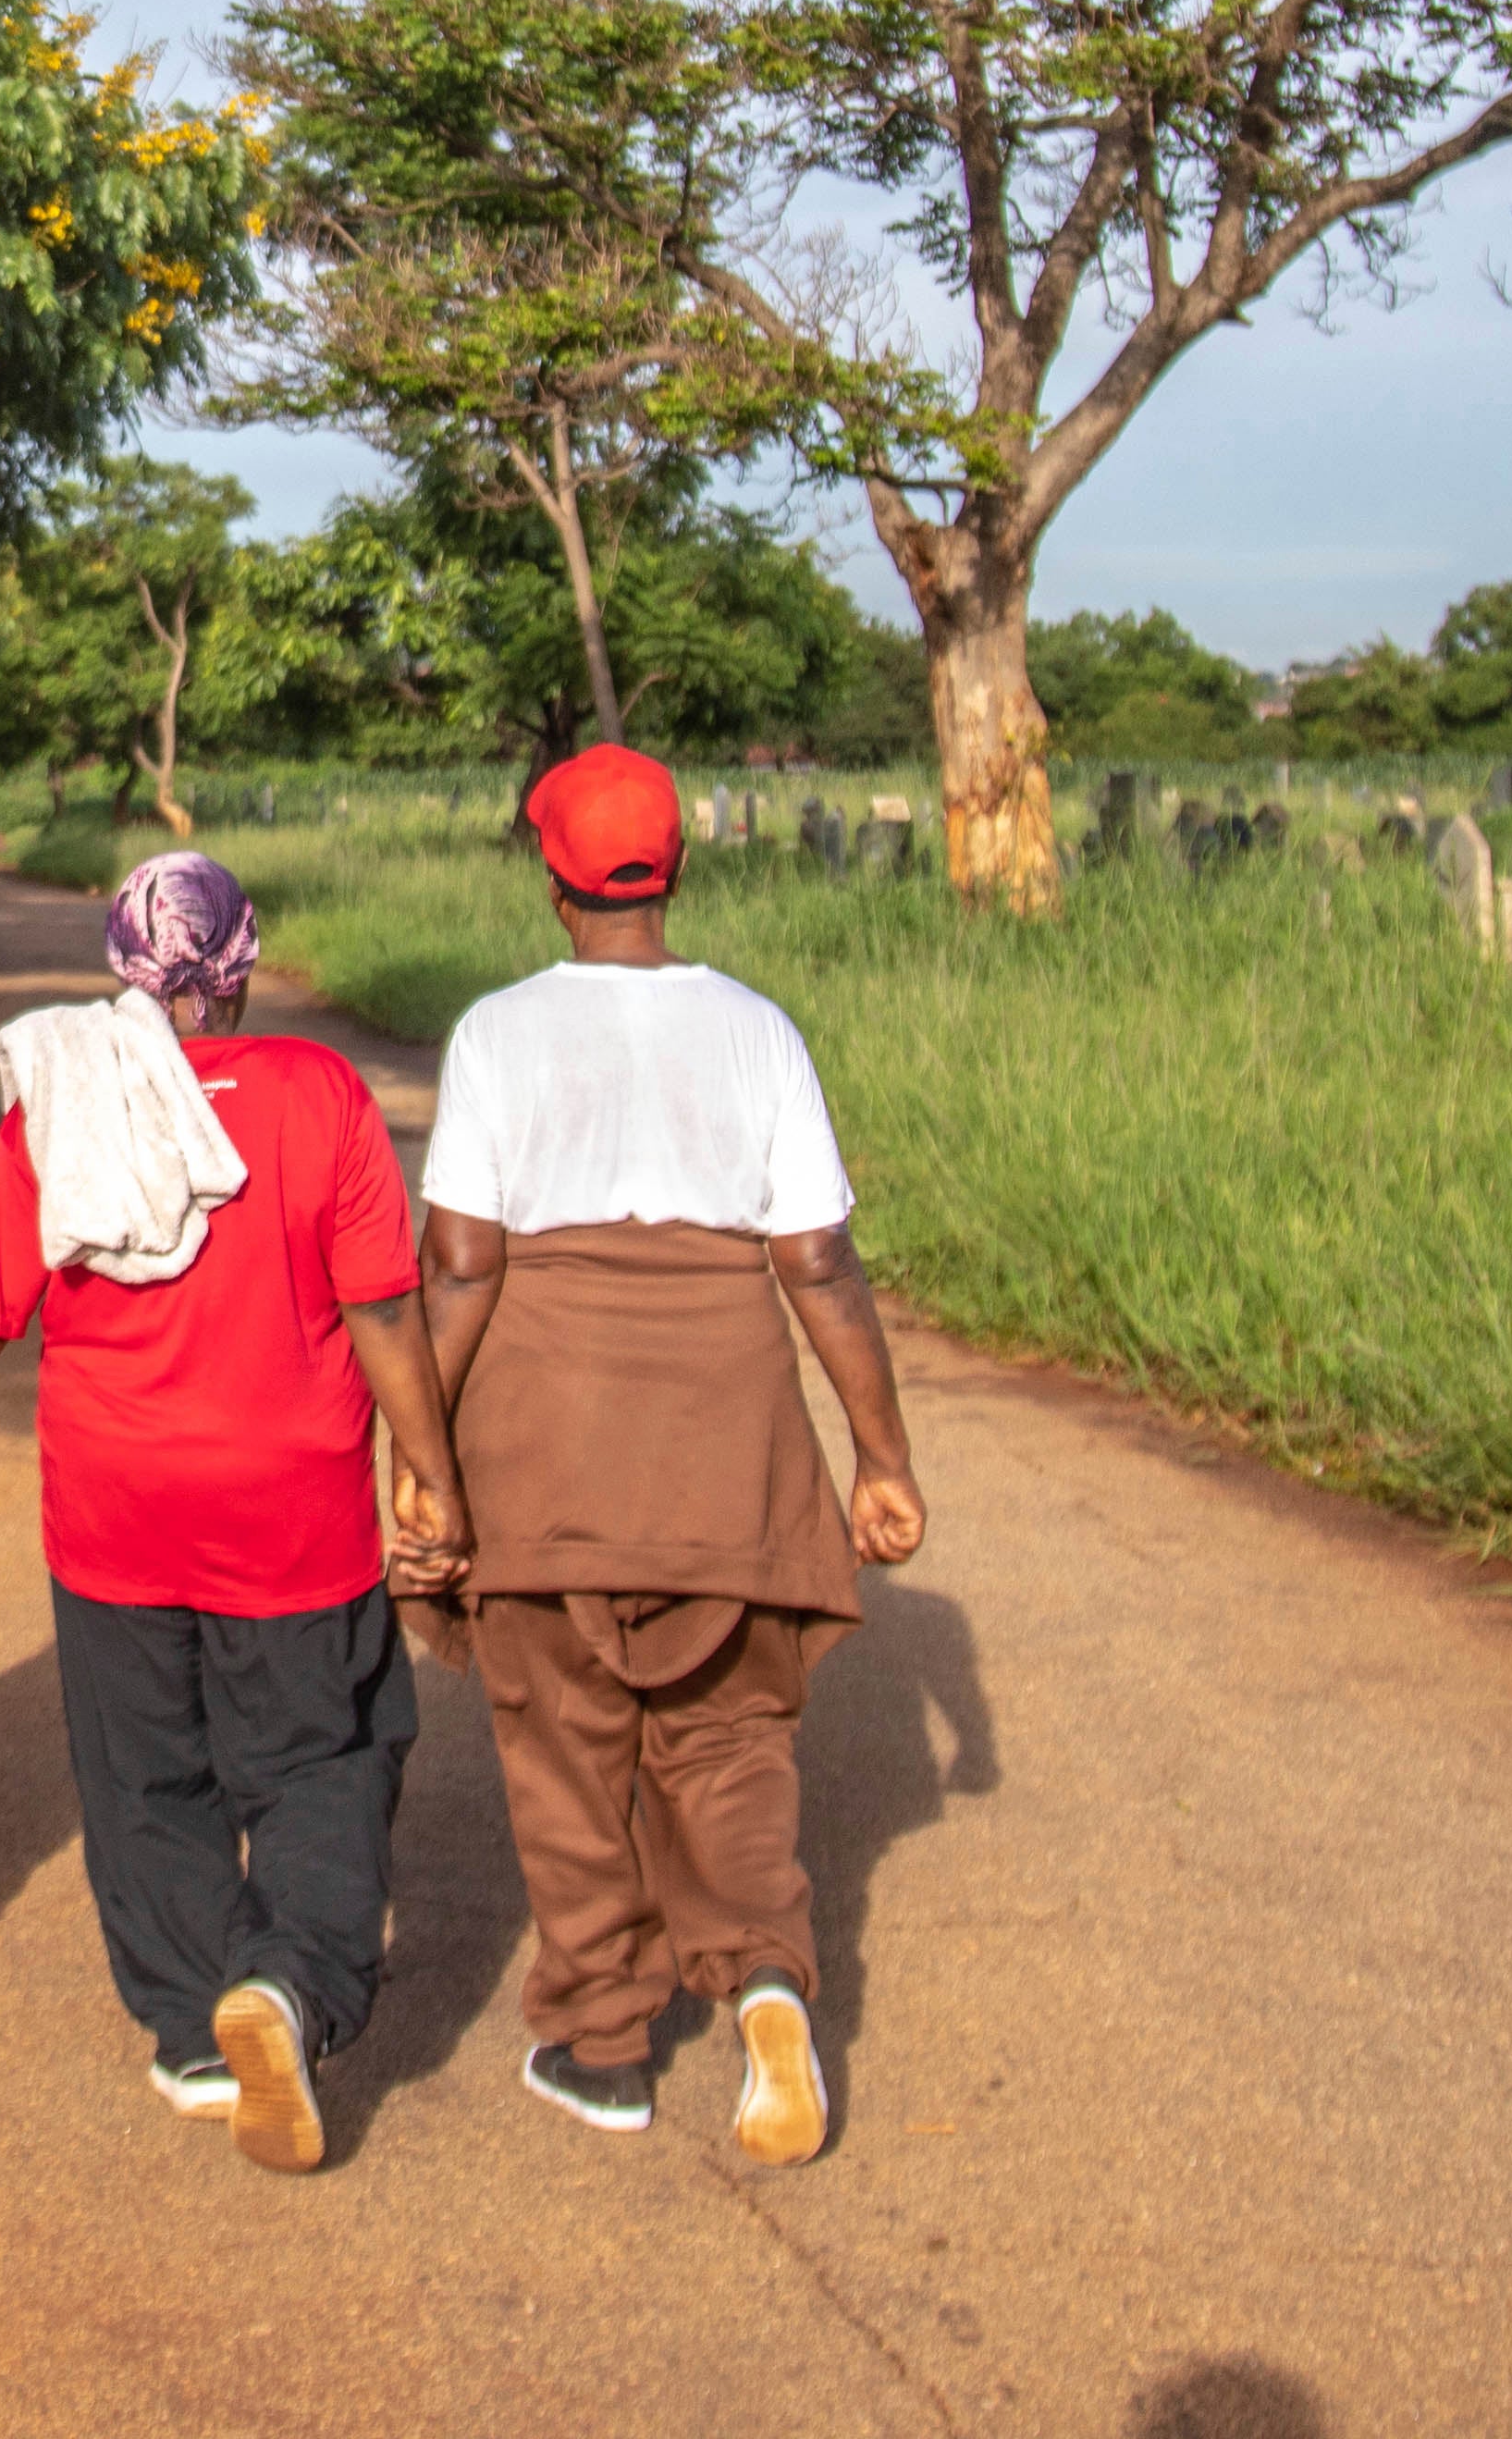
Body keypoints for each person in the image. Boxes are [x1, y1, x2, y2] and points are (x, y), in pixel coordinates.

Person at [0, 854, 467, 2170]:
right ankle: (284, 1982)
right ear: (244, 963)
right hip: (289, 1510)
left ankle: (187, 2029)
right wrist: (432, 1470)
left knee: (143, 1766)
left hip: (115, 1512)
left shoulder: (59, 1102)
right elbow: (385, 1308)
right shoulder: (320, 1095)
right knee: (329, 1753)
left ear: (122, 966)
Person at [418, 743, 927, 2167]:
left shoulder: (498, 1034)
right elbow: (817, 1260)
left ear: (552, 878)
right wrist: (878, 1455)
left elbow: (459, 1268)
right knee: (729, 1734)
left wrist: (422, 1456)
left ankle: (602, 2046)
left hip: (547, 1437)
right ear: (675, 870)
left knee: (567, 1746)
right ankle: (766, 1977)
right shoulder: (759, 1030)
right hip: (729, 1433)